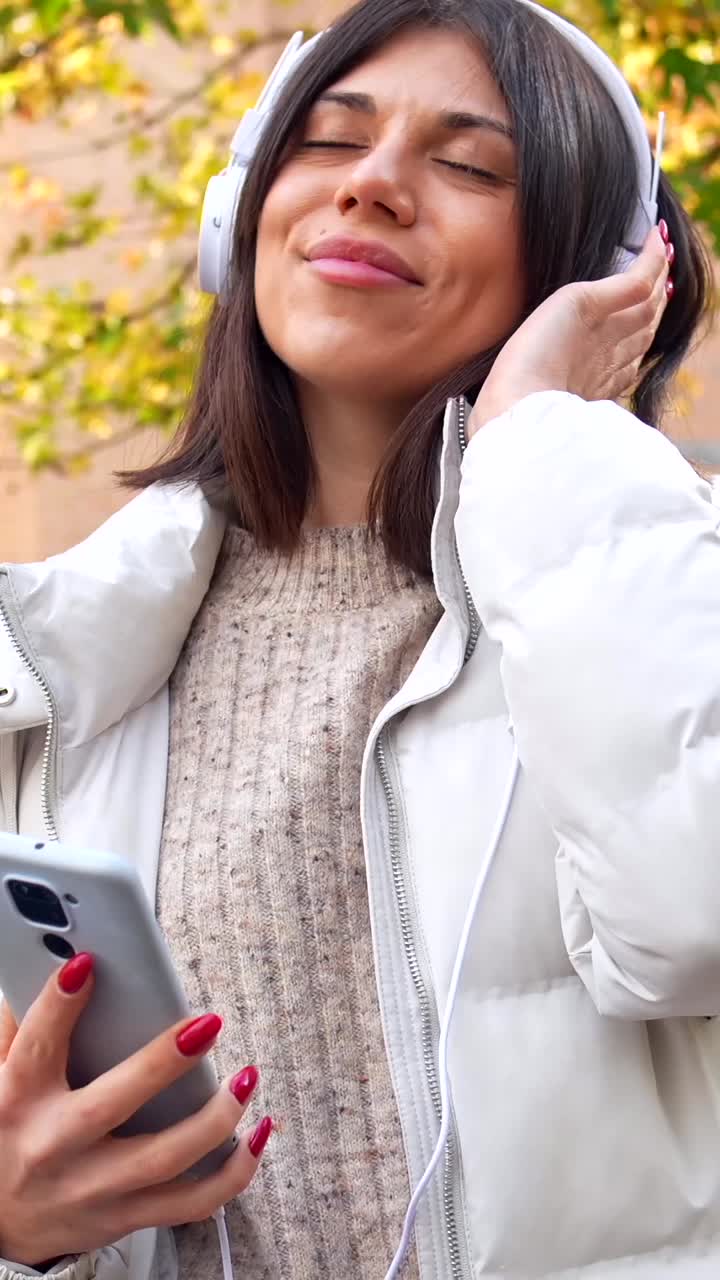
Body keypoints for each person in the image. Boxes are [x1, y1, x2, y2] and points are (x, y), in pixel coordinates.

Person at [0, 0, 718, 1275]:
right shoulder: (54, 683)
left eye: (469, 164)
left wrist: (543, 433)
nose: (376, 186)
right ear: (240, 219)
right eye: (329, 143)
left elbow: (694, 912)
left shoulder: (639, 598)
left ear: (600, 273)